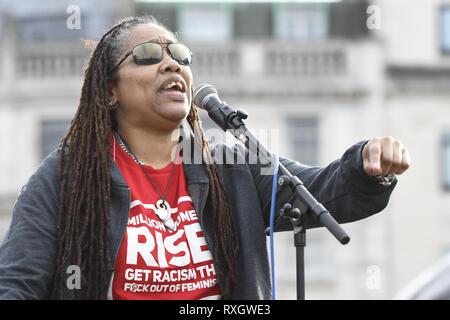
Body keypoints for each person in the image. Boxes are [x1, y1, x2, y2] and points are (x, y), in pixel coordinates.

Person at [0, 15, 410, 300]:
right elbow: (17, 284)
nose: (170, 63)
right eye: (147, 54)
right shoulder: (66, 176)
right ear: (109, 90)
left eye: (179, 54)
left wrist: (367, 165)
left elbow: (324, 193)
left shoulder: (230, 168)